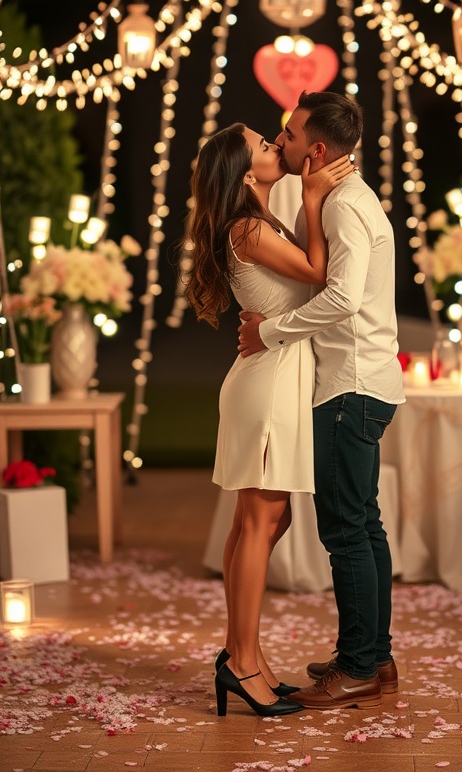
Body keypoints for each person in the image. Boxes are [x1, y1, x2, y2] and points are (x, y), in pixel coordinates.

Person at [238, 92, 405, 711]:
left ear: (315, 149)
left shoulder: (341, 206)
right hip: (364, 381)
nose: (279, 141)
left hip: (350, 385)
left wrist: (269, 331)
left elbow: (342, 298)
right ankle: (374, 656)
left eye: (287, 133)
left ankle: (360, 665)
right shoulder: (343, 198)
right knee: (365, 524)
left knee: (345, 532)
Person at [184, 122, 354, 718]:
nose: (274, 147)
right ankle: (242, 664)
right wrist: (311, 197)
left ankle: (242, 652)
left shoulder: (257, 221)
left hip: (272, 376)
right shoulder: (250, 227)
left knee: (258, 524)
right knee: (262, 521)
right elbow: (317, 272)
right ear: (243, 169)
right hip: (269, 380)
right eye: (262, 145)